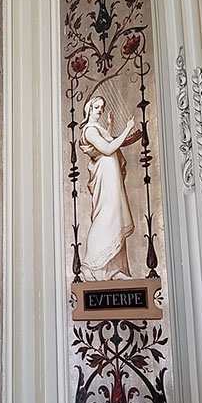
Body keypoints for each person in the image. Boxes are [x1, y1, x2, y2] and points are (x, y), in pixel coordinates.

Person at [79, 95, 135, 281]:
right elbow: (108, 149)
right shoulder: (89, 131)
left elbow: (108, 141)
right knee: (106, 214)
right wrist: (127, 129)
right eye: (97, 107)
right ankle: (92, 265)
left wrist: (110, 126)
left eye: (102, 108)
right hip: (105, 173)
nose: (100, 111)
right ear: (89, 109)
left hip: (111, 172)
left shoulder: (98, 129)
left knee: (115, 215)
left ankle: (114, 269)